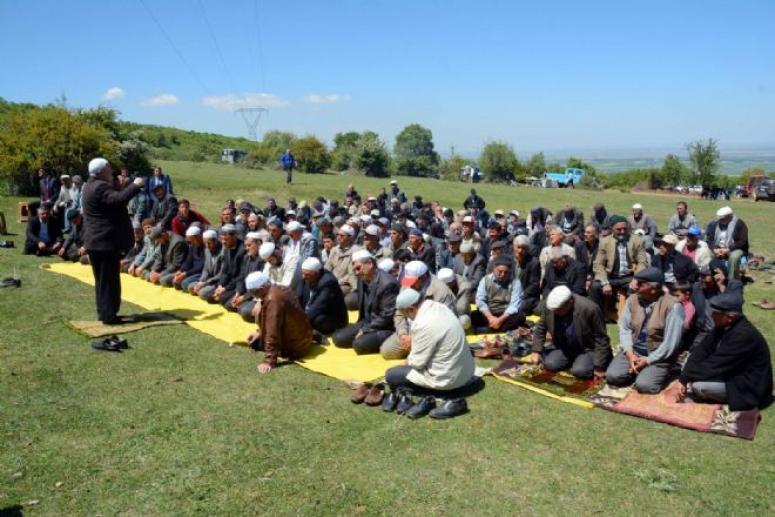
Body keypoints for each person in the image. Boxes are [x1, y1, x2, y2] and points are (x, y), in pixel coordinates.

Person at [382, 289, 475, 416]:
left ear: (411, 309)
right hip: (466, 372)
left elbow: (417, 363)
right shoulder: (439, 307)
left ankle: (434, 395)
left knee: (392, 375)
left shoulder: (422, 324)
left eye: (405, 314)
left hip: (450, 381)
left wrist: (408, 355)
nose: (407, 318)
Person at [678, 291, 773, 411]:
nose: (712, 315)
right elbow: (701, 350)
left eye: (716, 313)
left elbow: (715, 365)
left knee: (699, 386)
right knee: (689, 364)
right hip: (729, 372)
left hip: (747, 385)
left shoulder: (743, 335)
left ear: (730, 317)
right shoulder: (722, 326)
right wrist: (684, 378)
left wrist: (685, 378)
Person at [81, 157, 144, 324]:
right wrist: (135, 185)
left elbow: (110, 201)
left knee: (103, 281)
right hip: (104, 242)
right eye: (108, 168)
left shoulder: (89, 185)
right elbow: (118, 201)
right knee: (109, 281)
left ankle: (105, 313)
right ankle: (109, 316)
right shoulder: (100, 186)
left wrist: (121, 187)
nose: (111, 171)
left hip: (96, 241)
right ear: (101, 171)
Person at [605, 267, 685, 394]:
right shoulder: (632, 300)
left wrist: (648, 360)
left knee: (644, 386)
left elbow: (670, 344)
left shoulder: (673, 307)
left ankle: (668, 370)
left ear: (653, 289)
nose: (635, 286)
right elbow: (625, 328)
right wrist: (630, 353)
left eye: (640, 284)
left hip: (658, 356)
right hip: (635, 351)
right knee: (613, 376)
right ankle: (638, 369)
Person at [530, 286, 611, 380]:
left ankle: (583, 362)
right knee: (550, 364)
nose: (556, 312)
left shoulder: (590, 309)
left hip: (587, 348)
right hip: (564, 347)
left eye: (559, 309)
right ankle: (574, 361)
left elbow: (601, 338)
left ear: (570, 302)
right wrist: (536, 351)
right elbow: (541, 328)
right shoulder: (551, 307)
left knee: (580, 371)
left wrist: (599, 365)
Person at [380, 261, 457, 360]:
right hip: (411, 330)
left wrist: (416, 337)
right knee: (387, 351)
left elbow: (444, 323)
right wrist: (403, 334)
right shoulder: (407, 284)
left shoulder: (441, 291)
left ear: (423, 277)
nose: (409, 285)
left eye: (413, 281)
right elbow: (399, 313)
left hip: (432, 332)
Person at [243, 272, 313, 373]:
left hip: (296, 348)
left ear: (262, 289)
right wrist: (260, 333)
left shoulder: (273, 300)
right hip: (304, 337)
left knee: (256, 344)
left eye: (254, 292)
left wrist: (269, 360)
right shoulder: (280, 288)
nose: (254, 296)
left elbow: (272, 331)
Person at [331, 250, 399, 354]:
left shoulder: (388, 284)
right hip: (367, 321)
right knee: (338, 338)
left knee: (358, 344)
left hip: (384, 326)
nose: (356, 273)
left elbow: (387, 316)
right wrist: (364, 327)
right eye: (355, 270)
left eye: (358, 268)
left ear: (370, 264)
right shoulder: (362, 278)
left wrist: (366, 330)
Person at [590, 215, 648, 315]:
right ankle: (598, 315)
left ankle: (630, 317)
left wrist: (636, 279)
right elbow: (598, 264)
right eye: (619, 229)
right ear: (612, 229)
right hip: (611, 276)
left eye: (625, 229)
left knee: (638, 288)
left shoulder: (638, 241)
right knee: (595, 287)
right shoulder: (605, 242)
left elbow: (642, 262)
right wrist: (605, 282)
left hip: (629, 277)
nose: (622, 231)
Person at [295, 257, 349, 336]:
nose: (303, 277)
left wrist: (299, 321)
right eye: (302, 273)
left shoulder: (328, 282)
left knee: (317, 319)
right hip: (310, 311)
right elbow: (298, 297)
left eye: (307, 274)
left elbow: (319, 306)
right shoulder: (306, 277)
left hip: (332, 317)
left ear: (317, 273)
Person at [471, 255, 525, 332]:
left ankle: (489, 329)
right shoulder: (485, 280)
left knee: (520, 317)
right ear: (494, 269)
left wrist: (500, 320)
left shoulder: (515, 282)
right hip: (489, 312)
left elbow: (514, 304)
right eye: (500, 271)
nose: (503, 274)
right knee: (474, 315)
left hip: (505, 314)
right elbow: (480, 300)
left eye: (506, 272)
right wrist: (490, 318)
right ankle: (499, 328)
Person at [225, 232, 265, 320]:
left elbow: (260, 287)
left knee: (244, 311)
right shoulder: (246, 258)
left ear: (259, 244)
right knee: (229, 304)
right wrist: (238, 293)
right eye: (246, 246)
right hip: (246, 292)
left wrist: (244, 297)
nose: (247, 248)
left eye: (249, 245)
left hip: (257, 294)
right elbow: (241, 276)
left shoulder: (263, 260)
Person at [705, 206, 748, 279]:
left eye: (723, 218)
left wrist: (728, 249)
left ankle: (731, 280)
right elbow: (709, 240)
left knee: (734, 257)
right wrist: (714, 249)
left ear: (730, 216)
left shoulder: (739, 224)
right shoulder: (714, 224)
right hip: (717, 248)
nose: (721, 220)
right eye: (720, 218)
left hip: (734, 248)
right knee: (707, 253)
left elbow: (742, 242)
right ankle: (709, 277)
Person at [324, 224, 360, 309]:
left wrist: (338, 281)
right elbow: (327, 268)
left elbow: (353, 273)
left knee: (332, 293)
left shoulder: (357, 251)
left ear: (350, 238)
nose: (338, 237)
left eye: (342, 235)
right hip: (333, 281)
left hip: (347, 284)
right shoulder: (334, 250)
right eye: (338, 235)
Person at [168, 226, 206, 291]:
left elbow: (201, 266)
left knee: (184, 284)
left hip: (200, 272)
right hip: (191, 271)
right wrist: (180, 271)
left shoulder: (206, 248)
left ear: (198, 237)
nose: (191, 243)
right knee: (174, 281)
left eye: (192, 241)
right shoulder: (192, 246)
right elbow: (188, 261)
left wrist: (185, 274)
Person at [190, 230, 224, 298]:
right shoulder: (206, 250)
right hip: (208, 279)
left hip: (217, 281)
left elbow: (221, 274)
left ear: (215, 241)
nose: (207, 246)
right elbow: (206, 269)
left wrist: (205, 283)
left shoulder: (223, 252)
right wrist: (201, 281)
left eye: (209, 243)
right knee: (191, 287)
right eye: (205, 243)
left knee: (202, 293)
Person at [513, 235, 541, 315]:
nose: (520, 251)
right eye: (518, 247)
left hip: (526, 296)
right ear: (514, 247)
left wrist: (519, 296)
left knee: (520, 307)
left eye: (523, 248)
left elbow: (534, 285)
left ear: (527, 249)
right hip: (511, 294)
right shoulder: (510, 260)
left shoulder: (534, 263)